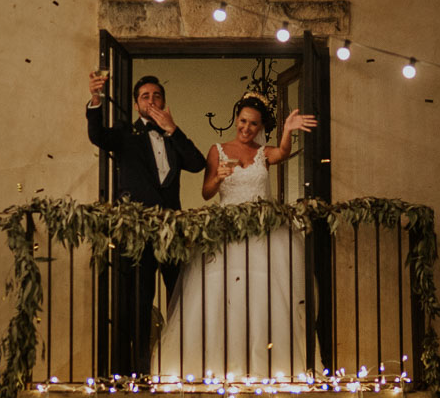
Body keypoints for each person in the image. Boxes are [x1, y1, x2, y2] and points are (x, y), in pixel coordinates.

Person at [155, 93, 318, 381]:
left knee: (263, 293)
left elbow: (281, 154)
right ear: (236, 120)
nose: (246, 128)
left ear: (259, 127)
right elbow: (207, 192)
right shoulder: (218, 150)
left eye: (253, 124)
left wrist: (288, 131)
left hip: (263, 233)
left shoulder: (263, 152)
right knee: (220, 294)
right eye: (243, 121)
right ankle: (216, 365)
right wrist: (218, 177)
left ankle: (267, 364)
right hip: (227, 231)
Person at [86, 72, 206, 377]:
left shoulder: (172, 134)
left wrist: (172, 129)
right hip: (137, 234)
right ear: (137, 105)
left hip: (172, 233)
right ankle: (137, 373)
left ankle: (182, 366)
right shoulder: (126, 134)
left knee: (180, 297)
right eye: (145, 97)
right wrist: (96, 99)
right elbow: (98, 135)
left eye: (156, 96)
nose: (151, 100)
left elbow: (197, 163)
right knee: (138, 304)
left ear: (164, 102)